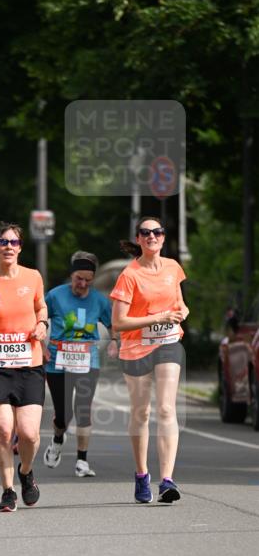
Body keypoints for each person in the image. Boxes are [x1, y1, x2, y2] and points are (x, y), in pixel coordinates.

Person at [110, 216, 188, 504]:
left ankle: (167, 480)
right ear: (139, 239)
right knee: (141, 412)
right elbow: (118, 323)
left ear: (164, 238)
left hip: (168, 342)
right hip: (136, 348)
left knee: (167, 409)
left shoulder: (173, 268)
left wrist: (182, 312)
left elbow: (179, 302)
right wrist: (158, 317)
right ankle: (142, 474)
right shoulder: (129, 275)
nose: (152, 236)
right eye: (146, 233)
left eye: (157, 232)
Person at [0, 222, 47, 512]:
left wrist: (42, 324)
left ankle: (26, 472)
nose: (8, 247)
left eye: (14, 242)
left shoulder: (33, 277)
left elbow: (41, 307)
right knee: (3, 431)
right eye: (3, 242)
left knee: (29, 433)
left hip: (29, 365)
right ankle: (7, 491)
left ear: (20, 247)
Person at [42, 251, 119, 477]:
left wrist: (115, 343)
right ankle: (58, 439)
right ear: (72, 275)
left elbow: (113, 324)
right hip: (57, 363)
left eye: (87, 280)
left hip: (88, 361)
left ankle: (82, 461)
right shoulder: (55, 296)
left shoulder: (100, 301)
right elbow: (37, 318)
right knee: (63, 415)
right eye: (78, 279)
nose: (82, 284)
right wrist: (41, 346)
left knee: (83, 410)